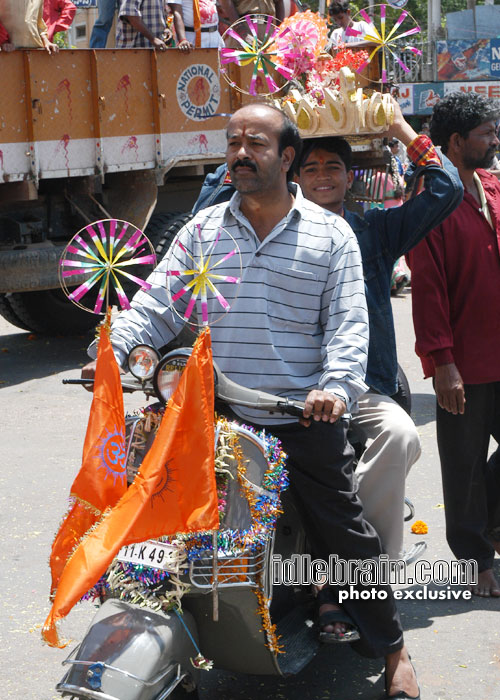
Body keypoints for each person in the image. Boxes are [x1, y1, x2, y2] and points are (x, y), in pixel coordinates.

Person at [82, 102, 420, 699]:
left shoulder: (330, 233)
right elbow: (158, 306)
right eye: (233, 142)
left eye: (256, 143)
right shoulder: (203, 231)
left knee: (344, 532)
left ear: (286, 157)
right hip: (211, 415)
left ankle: (393, 651)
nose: (240, 153)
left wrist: (334, 391)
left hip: (299, 414)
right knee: (150, 515)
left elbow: (348, 328)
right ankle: (169, 629)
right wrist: (115, 349)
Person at [407, 92, 500, 598]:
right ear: (458, 142)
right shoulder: (432, 196)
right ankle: (474, 560)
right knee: (463, 466)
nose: (494, 140)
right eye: (486, 133)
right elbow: (428, 286)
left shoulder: (491, 185)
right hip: (463, 360)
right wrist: (442, 362)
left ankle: (490, 527)